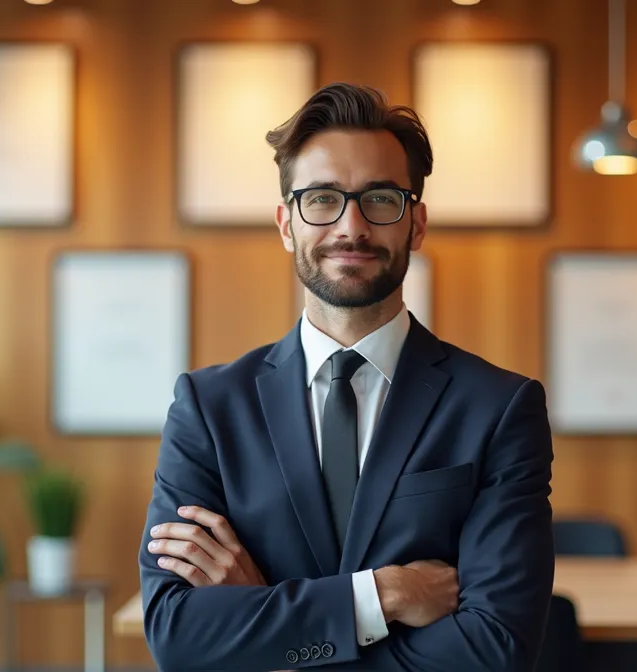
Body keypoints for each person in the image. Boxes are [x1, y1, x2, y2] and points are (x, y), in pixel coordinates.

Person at [138, 82, 556, 671]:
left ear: (416, 223)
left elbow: (495, 650)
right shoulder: (208, 408)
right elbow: (177, 637)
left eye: (380, 198)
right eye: (322, 198)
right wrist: (381, 596)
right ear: (287, 224)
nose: (351, 227)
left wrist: (262, 624)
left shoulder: (499, 407)